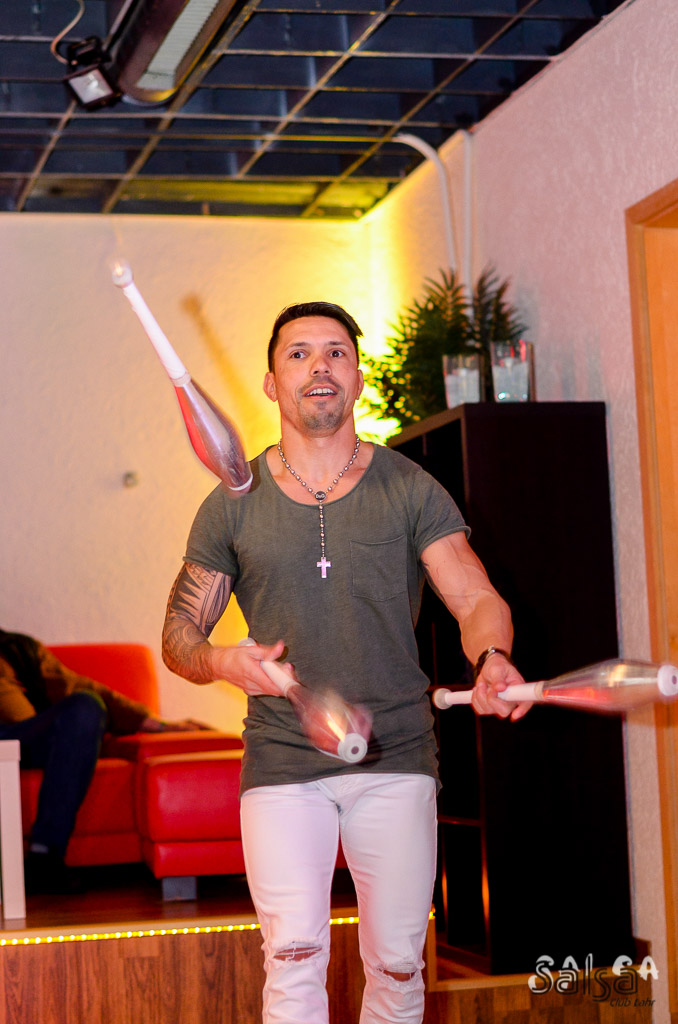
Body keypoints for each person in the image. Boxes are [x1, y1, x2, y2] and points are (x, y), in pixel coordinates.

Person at [162, 301, 530, 1024]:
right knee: (293, 960)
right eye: (298, 354)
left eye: (336, 351)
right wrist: (222, 662)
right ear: (272, 383)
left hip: (397, 756)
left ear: (358, 378)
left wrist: (493, 657)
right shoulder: (232, 504)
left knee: (397, 968)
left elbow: (475, 596)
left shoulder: (409, 487)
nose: (319, 366)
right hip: (282, 762)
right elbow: (178, 635)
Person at [0, 628, 204, 894]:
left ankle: (44, 854)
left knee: (86, 704)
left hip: (25, 736)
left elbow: (77, 686)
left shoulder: (17, 648)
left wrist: (160, 725)